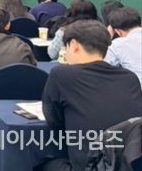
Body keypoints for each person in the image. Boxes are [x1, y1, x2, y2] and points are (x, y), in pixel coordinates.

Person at [42, 20, 142, 171]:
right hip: (127, 164)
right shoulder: (130, 78)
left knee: (38, 160)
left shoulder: (61, 75)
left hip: (90, 165)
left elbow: (54, 120)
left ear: (74, 45)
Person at [104, 7, 142, 86]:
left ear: (118, 32)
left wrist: (106, 37)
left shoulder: (118, 44)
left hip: (136, 90)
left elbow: (102, 68)